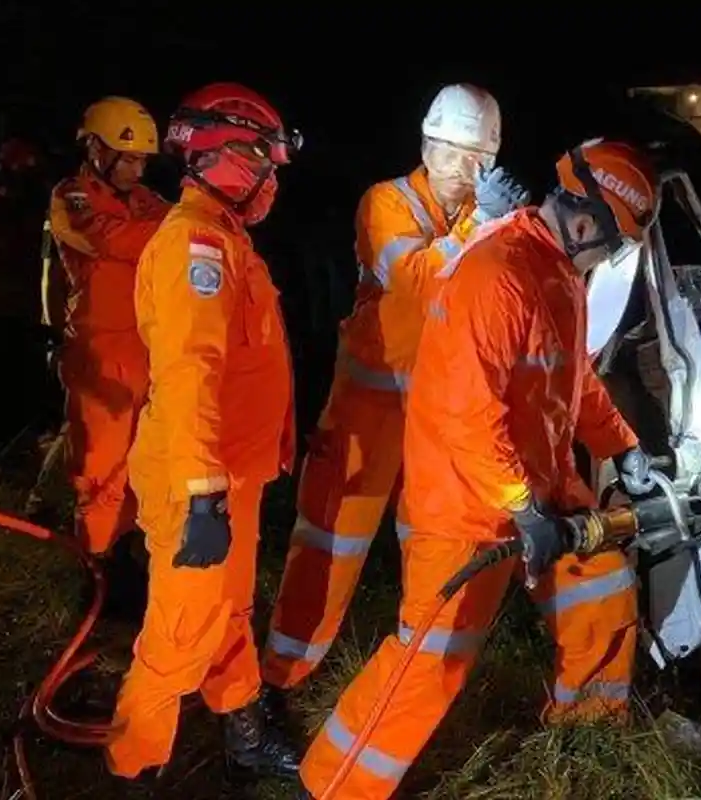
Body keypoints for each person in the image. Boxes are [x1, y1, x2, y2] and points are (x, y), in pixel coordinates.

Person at [294, 138, 663, 800]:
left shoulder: (558, 275)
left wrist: (623, 447)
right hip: (468, 508)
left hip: (540, 490)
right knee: (428, 663)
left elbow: (572, 377)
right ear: (586, 222)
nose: (612, 258)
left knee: (600, 596)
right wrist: (523, 511)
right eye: (615, 243)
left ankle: (585, 740)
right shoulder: (497, 275)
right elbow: (468, 417)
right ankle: (332, 786)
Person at [260, 84, 528, 706]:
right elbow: (411, 283)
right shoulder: (386, 202)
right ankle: (280, 677)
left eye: (477, 159)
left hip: (436, 413)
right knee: (331, 539)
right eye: (454, 154)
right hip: (368, 408)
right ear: (427, 145)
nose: (465, 171)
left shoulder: (479, 218)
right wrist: (487, 227)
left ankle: (414, 676)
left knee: (434, 540)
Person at [104, 82, 303, 783]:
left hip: (228, 476)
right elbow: (191, 375)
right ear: (224, 156)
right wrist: (199, 495)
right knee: (179, 634)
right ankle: (135, 767)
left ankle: (243, 733)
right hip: (200, 478)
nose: (271, 178)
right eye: (263, 161)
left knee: (229, 610)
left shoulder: (224, 240)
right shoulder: (197, 246)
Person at [45, 97, 171, 619]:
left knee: (145, 465)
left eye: (143, 160)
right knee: (100, 471)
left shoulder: (147, 201)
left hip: (149, 350)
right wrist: (176, 232)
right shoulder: (72, 197)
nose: (137, 169)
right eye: (128, 158)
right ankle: (97, 577)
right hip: (99, 355)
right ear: (96, 148)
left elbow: (172, 232)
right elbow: (109, 239)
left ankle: (131, 563)